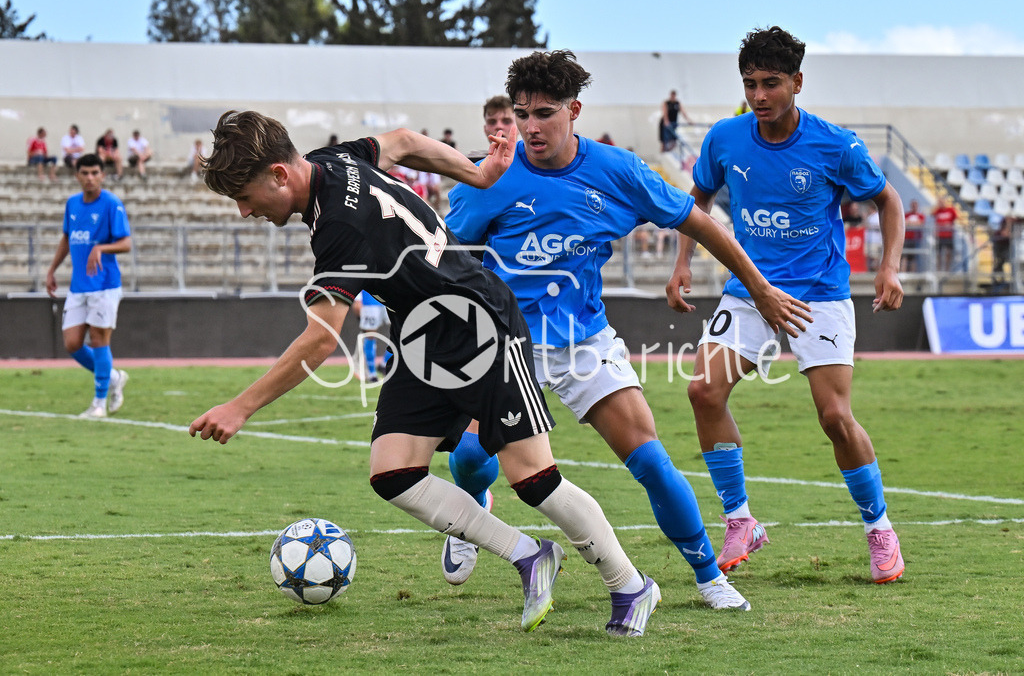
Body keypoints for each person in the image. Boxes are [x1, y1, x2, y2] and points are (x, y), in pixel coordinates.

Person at [189, 109, 659, 637]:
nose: (245, 211)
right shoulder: (332, 160)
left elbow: (321, 339)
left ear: (279, 173)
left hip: (481, 327)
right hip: (425, 338)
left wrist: (240, 406)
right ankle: (528, 556)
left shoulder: (338, 229)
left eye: (245, 197)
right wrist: (477, 174)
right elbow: (405, 142)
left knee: (533, 480)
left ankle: (630, 585)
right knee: (394, 472)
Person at [445, 50, 811, 613]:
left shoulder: (618, 171)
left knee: (650, 460)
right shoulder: (489, 177)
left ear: (575, 110)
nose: (530, 127)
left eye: (544, 113)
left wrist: (758, 287)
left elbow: (703, 223)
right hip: (504, 342)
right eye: (522, 114)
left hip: (583, 342)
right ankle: (472, 507)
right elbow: (443, 249)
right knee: (470, 455)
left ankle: (709, 575)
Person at [665, 26, 906, 585]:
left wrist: (888, 266)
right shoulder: (725, 138)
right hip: (748, 290)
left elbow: (887, 199)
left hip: (818, 296)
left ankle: (880, 529)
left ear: (797, 81)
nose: (759, 96)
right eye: (750, 84)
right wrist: (682, 263)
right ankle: (740, 519)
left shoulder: (835, 145)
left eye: (771, 83)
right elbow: (693, 201)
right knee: (702, 389)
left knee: (834, 418)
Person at [45, 153, 132, 419]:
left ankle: (98, 403)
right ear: (77, 176)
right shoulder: (72, 204)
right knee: (72, 343)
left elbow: (126, 243)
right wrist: (52, 269)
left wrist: (101, 247)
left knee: (98, 340)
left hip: (105, 284)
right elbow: (66, 238)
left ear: (103, 175)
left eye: (95, 172)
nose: (90, 178)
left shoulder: (111, 203)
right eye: (85, 173)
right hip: (79, 286)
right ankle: (114, 377)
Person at [352, 290, 388, 382]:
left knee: (401, 332)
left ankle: (384, 364)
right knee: (370, 335)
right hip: (370, 301)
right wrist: (358, 299)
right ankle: (372, 374)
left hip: (390, 298)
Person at [933, 195, 958, 272]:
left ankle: (947, 269)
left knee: (948, 252)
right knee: (939, 254)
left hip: (948, 235)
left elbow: (956, 218)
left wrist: (947, 224)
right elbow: (931, 213)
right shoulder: (938, 211)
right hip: (940, 236)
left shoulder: (951, 210)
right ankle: (938, 269)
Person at [902, 199, 925, 272]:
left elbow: (920, 223)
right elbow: (904, 223)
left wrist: (909, 223)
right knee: (904, 256)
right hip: (907, 238)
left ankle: (912, 272)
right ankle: (903, 272)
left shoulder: (920, 215)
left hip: (916, 239)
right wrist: (913, 223)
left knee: (914, 257)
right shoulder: (907, 215)